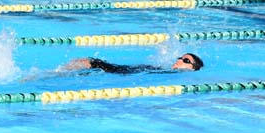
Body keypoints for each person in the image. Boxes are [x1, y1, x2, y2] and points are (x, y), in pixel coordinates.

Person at [63, 52, 203, 74]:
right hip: (125, 70)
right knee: (88, 62)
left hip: (124, 73)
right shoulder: (168, 70)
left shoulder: (174, 75)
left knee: (90, 62)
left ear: (192, 68)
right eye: (180, 57)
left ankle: (55, 74)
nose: (179, 60)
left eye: (185, 60)